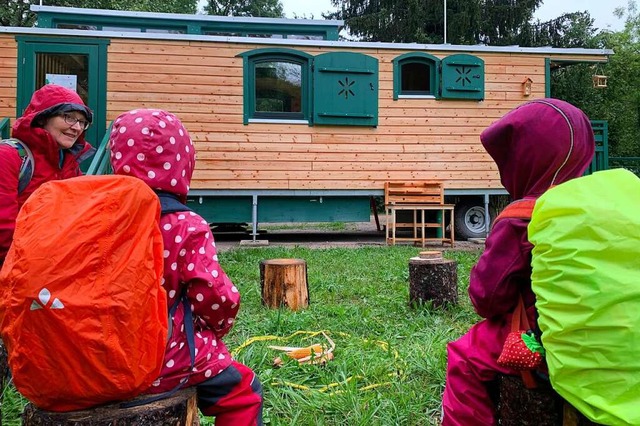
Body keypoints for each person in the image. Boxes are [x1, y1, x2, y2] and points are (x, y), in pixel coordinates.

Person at [441, 98, 595, 425]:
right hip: (610, 335)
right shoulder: (600, 210)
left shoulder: (522, 218)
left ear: (524, 160)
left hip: (546, 344)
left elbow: (487, 298)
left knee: (465, 356)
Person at [109, 108, 263, 426]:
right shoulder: (184, 225)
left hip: (96, 355)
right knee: (245, 392)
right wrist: (216, 330)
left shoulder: (99, 217)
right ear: (183, 163)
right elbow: (217, 297)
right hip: (162, 361)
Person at [0, 84, 94, 267]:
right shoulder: (9, 157)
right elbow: (4, 228)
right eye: (69, 117)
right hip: (14, 271)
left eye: (82, 122)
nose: (76, 127)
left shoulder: (69, 164)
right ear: (42, 118)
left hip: (50, 270)